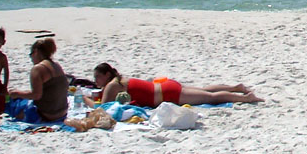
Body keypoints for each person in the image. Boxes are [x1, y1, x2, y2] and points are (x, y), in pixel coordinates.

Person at [88, 63, 262, 106]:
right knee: (203, 91)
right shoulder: (120, 80)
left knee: (210, 98)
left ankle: (247, 99)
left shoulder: (111, 86)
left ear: (107, 74)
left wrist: (86, 100)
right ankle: (236, 88)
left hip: (166, 95)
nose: (96, 81)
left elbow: (102, 109)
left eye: (98, 77)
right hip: (166, 86)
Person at [7, 36, 69, 123]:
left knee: (14, 102)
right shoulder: (57, 66)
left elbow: (36, 95)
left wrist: (16, 93)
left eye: (31, 55)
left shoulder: (38, 68)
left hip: (47, 114)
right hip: (62, 112)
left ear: (35, 52)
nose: (31, 59)